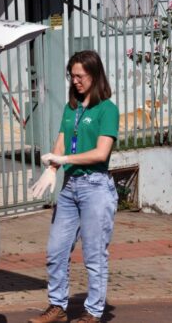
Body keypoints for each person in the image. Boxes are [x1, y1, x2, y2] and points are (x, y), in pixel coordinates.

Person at [29, 50, 119, 323]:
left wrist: (64, 159)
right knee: (56, 250)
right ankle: (57, 306)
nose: (75, 81)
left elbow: (101, 153)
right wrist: (52, 168)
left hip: (96, 186)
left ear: (95, 74)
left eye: (80, 76)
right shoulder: (71, 108)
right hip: (70, 187)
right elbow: (61, 140)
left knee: (94, 253)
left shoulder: (107, 109)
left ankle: (93, 312)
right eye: (72, 76)